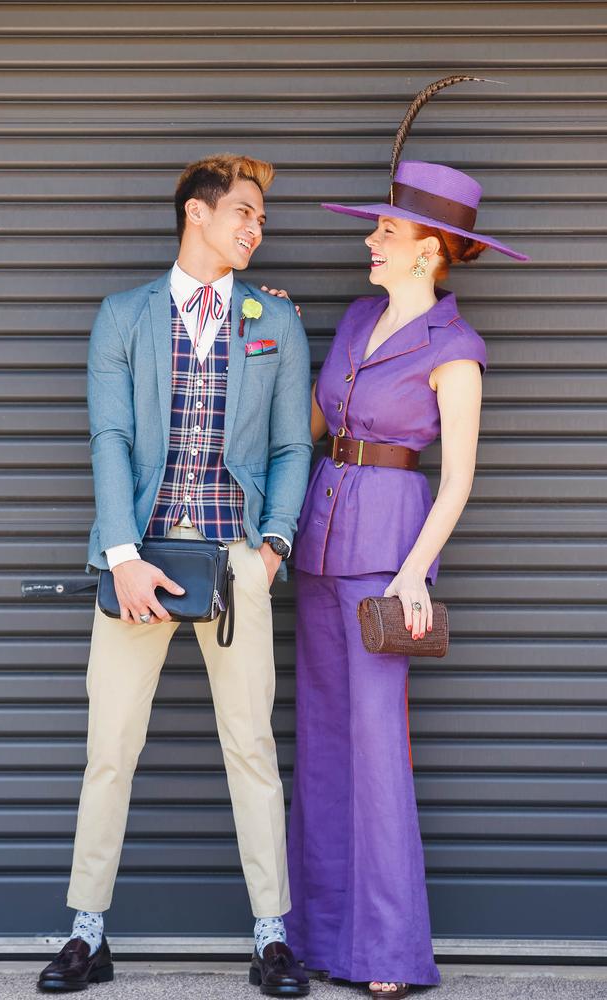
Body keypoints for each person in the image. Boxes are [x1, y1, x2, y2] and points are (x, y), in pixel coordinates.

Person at [38, 153, 312, 996]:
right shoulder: (124, 317)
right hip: (140, 559)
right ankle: (87, 932)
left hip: (237, 563)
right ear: (197, 213)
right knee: (110, 749)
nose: (255, 229)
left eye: (261, 218)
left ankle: (272, 937)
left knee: (252, 748)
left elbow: (294, 445)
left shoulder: (276, 319)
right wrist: (121, 556)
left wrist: (271, 549)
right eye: (244, 213)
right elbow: (110, 441)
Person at [285, 77, 530, 999]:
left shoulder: (455, 349)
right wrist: (265, 323)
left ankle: (386, 956)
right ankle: (320, 937)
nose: (369, 240)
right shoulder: (352, 317)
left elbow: (459, 478)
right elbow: (308, 424)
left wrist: (418, 571)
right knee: (322, 745)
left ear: (428, 248)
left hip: (388, 558)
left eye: (384, 230)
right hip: (317, 548)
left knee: (378, 752)